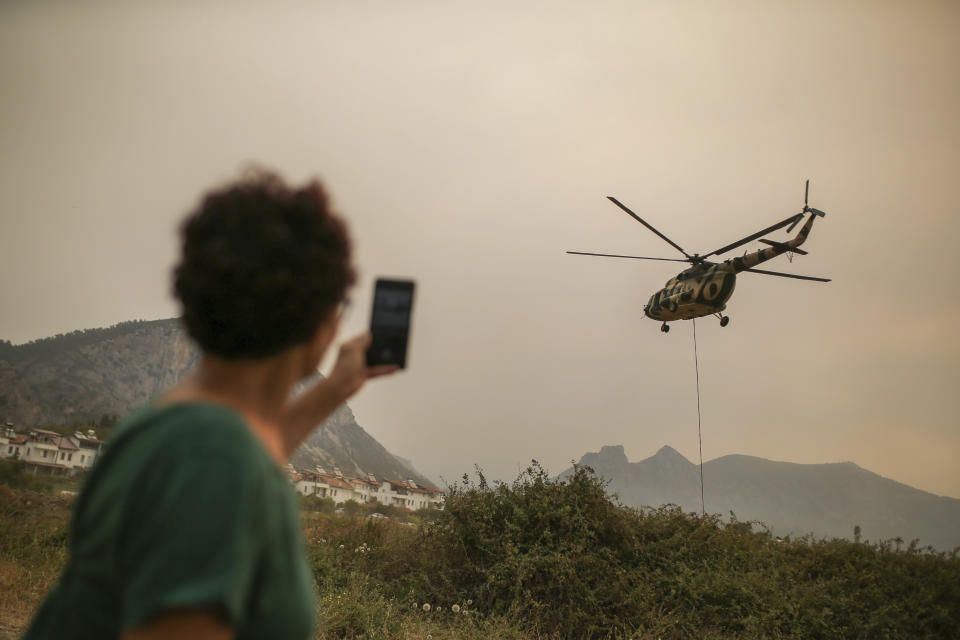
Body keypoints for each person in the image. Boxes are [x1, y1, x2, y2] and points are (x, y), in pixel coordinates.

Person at [24, 169, 397, 639]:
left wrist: (337, 388)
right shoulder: (213, 457)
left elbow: (253, 448)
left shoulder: (182, 430)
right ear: (322, 318)